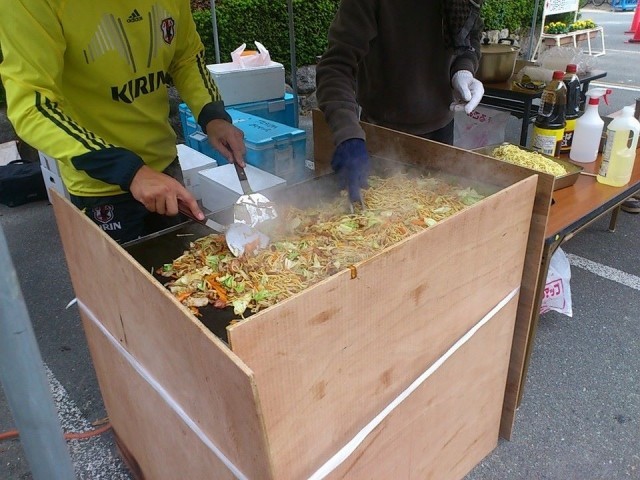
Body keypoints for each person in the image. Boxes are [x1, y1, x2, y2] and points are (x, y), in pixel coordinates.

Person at [0, 0, 246, 243]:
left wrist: (213, 117)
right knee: (121, 280)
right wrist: (129, 170)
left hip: (166, 168)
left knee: (183, 272)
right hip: (103, 182)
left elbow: (186, 57)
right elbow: (32, 106)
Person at [316, 0, 485, 204]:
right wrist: (347, 134)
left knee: (436, 211)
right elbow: (336, 67)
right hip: (381, 133)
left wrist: (463, 69)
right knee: (378, 220)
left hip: (440, 130)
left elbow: (470, 37)